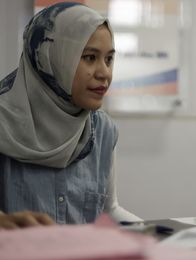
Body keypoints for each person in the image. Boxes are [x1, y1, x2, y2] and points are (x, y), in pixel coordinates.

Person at [0, 2, 142, 224]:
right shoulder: (3, 121)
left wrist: (156, 235)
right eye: (89, 57)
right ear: (51, 57)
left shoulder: (103, 129)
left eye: (109, 59)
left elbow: (110, 209)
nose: (104, 73)